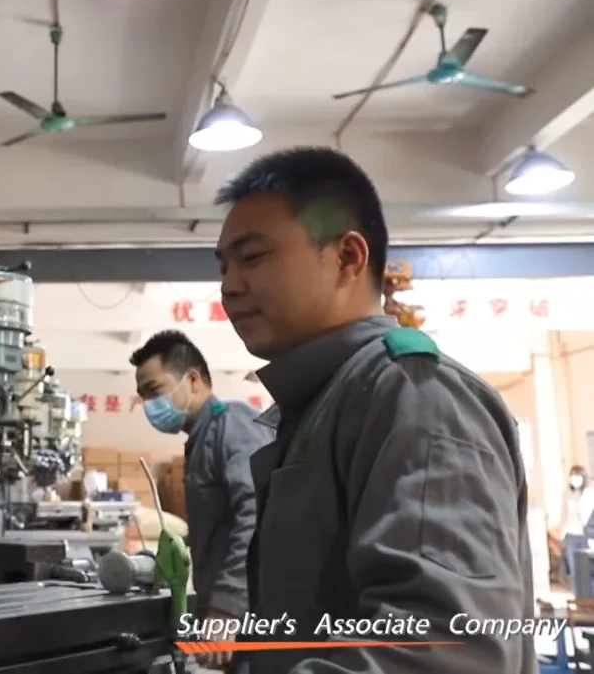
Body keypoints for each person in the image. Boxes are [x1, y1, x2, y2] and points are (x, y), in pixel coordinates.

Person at [213, 147, 534, 674]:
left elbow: (442, 649)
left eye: (252, 258)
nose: (229, 286)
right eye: (224, 266)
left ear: (347, 257)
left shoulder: (415, 397)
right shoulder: (327, 401)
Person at [130, 330, 273, 674]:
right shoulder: (203, 436)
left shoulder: (232, 425)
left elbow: (257, 514)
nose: (150, 405)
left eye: (154, 390)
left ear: (193, 380)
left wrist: (226, 606)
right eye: (143, 396)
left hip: (254, 621)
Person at [559, 465, 594, 593]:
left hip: (586, 536)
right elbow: (564, 516)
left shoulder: (589, 494)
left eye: (577, 475)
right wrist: (561, 536)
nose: (574, 478)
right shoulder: (567, 495)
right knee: (574, 570)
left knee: (589, 570)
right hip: (571, 536)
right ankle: (579, 597)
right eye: (572, 475)